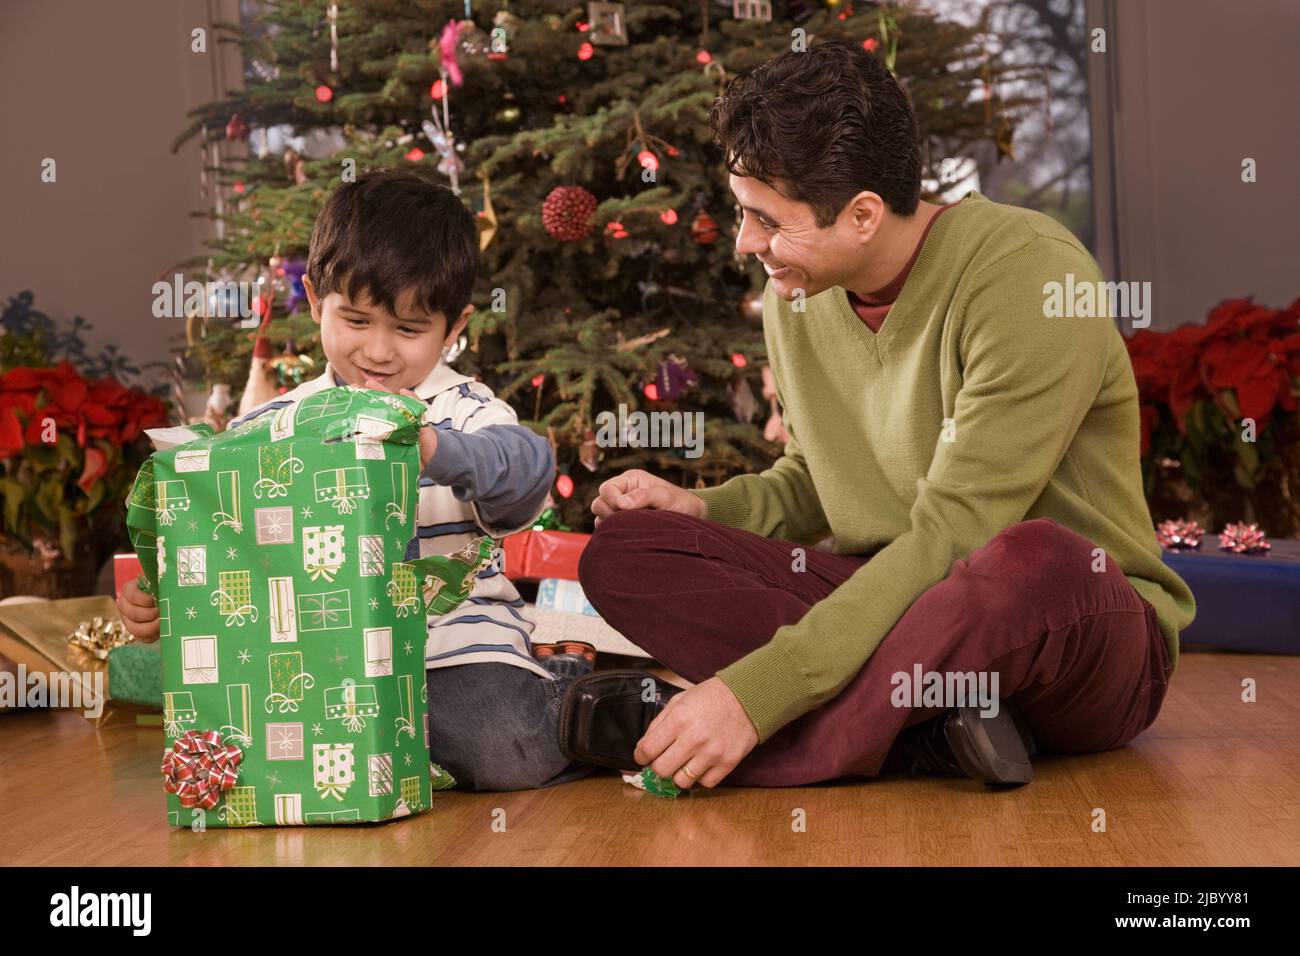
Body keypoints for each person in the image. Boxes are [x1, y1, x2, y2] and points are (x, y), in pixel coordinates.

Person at [574, 40, 1196, 791]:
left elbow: (958, 532)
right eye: (743, 214)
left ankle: (790, 744)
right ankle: (934, 735)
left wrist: (754, 695)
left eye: (767, 220)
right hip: (900, 603)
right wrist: (703, 507)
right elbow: (818, 476)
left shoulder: (1032, 274)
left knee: (1033, 559)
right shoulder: (794, 295)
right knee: (625, 550)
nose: (745, 243)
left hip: (1073, 631)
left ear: (863, 214)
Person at [117, 169, 599, 791]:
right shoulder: (267, 425)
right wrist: (167, 601)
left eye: (408, 329)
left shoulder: (463, 411)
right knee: (237, 738)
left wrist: (436, 448)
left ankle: (570, 696)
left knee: (502, 746)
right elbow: (223, 545)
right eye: (356, 320)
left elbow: (526, 469)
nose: (378, 351)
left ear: (454, 328)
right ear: (316, 302)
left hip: (449, 650)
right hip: (315, 659)